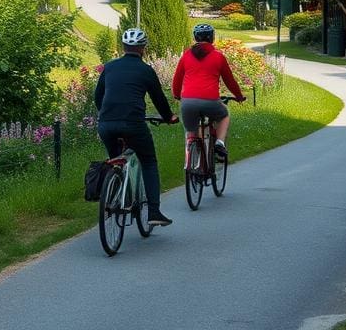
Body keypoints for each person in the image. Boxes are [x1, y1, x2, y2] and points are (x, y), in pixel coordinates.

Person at [95, 27, 179, 226]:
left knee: (115, 158)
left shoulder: (109, 67)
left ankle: (113, 192)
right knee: (149, 161)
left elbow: (98, 96)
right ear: (143, 48)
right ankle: (154, 212)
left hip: (106, 124)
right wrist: (169, 117)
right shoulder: (146, 70)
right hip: (133, 124)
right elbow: (158, 99)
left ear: (123, 47)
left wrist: (106, 115)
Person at [172, 23, 246, 159]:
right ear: (212, 38)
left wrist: (177, 95)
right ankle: (219, 143)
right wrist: (239, 96)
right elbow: (230, 81)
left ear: (195, 38)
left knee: (192, 132)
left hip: (188, 102)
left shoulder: (186, 56)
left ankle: (194, 160)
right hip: (210, 101)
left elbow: (177, 80)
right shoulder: (218, 57)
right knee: (224, 115)